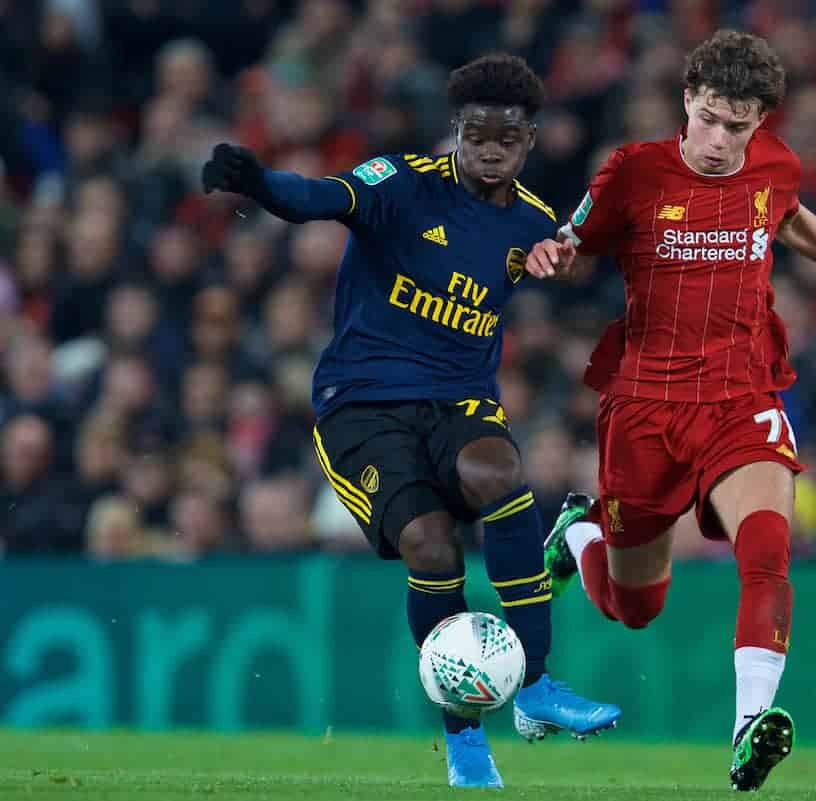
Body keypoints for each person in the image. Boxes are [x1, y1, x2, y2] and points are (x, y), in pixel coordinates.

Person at [524, 30, 816, 791]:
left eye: (737, 126)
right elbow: (569, 237)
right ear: (687, 100)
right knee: (634, 607)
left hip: (742, 395)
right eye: (710, 118)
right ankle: (579, 530)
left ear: (760, 124)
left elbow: (784, 214)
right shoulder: (634, 171)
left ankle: (749, 725)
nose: (719, 141)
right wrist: (550, 253)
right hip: (646, 408)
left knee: (768, 547)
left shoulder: (775, 163)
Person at [202, 54, 620, 789]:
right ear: (456, 129)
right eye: (478, 133)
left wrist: (577, 260)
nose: (492, 148)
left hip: (458, 398)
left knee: (499, 470)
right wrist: (260, 182)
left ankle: (537, 686)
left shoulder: (529, 222)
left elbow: (574, 263)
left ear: (529, 140)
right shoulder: (399, 183)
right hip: (361, 404)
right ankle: (464, 739)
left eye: (509, 137)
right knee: (431, 547)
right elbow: (317, 197)